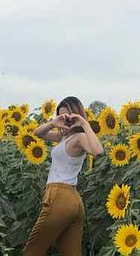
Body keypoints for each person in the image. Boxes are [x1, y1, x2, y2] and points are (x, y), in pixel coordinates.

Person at [22, 96, 104, 255]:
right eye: (62, 117)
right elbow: (37, 133)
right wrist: (53, 123)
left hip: (59, 197)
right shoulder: (62, 137)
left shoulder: (79, 138)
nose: (65, 122)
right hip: (73, 201)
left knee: (32, 251)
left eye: (68, 118)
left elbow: (98, 151)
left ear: (77, 116)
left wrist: (84, 123)